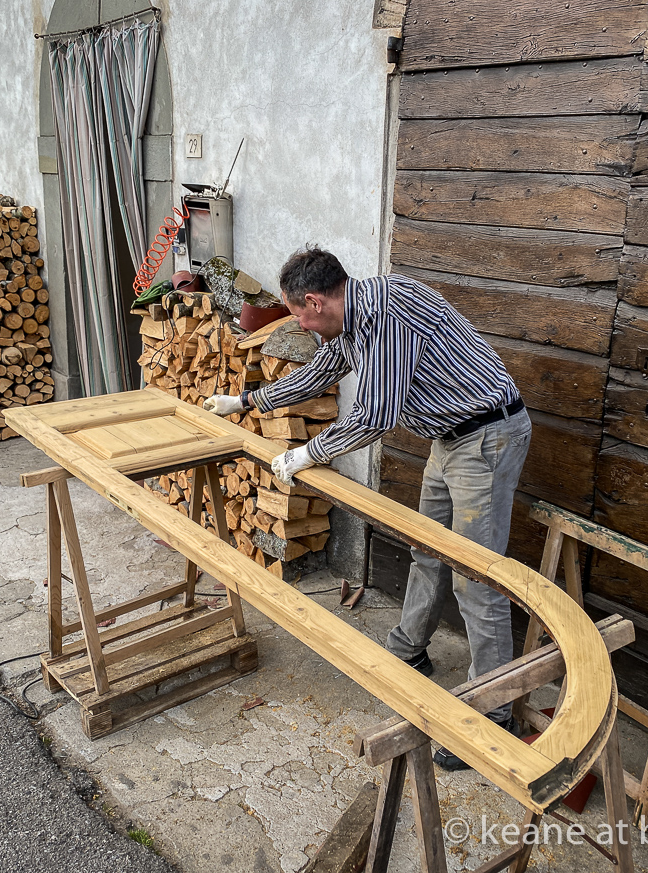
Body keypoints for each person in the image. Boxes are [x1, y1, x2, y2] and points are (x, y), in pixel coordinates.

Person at [204, 246, 531, 770]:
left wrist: (308, 452)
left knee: (477, 577)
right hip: (449, 440)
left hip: (487, 439)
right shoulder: (347, 320)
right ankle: (410, 648)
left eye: (297, 315)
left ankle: (492, 714)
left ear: (314, 301)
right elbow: (318, 374)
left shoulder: (386, 314)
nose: (300, 325)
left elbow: (376, 416)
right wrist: (246, 402)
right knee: (427, 550)